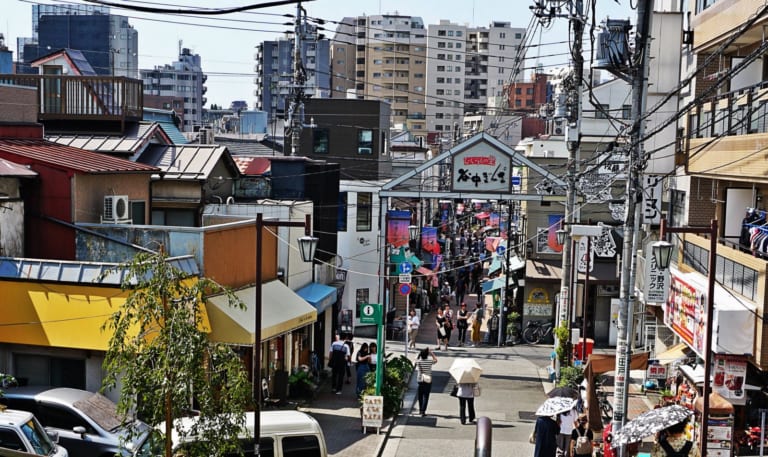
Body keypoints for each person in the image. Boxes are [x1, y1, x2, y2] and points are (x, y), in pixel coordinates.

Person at [414, 348, 438, 416]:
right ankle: (423, 411)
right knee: (426, 396)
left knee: (420, 395)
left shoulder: (418, 362)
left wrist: (418, 354)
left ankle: (420, 409)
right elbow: (436, 360)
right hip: (428, 380)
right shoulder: (429, 361)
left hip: (420, 380)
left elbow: (414, 359)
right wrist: (432, 353)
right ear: (427, 355)